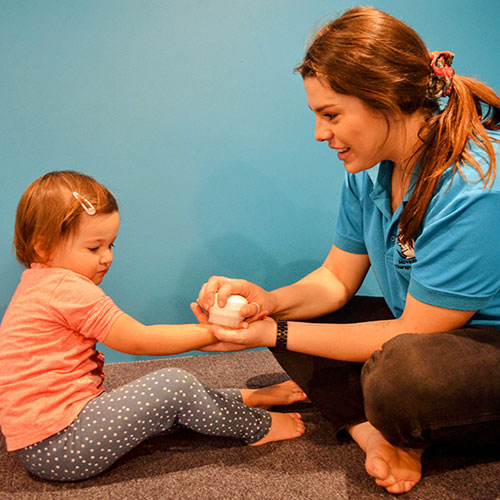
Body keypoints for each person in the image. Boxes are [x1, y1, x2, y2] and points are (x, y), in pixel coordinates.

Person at [192, 6, 500, 495]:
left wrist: (276, 331)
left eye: (330, 114)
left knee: (400, 374)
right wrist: (267, 304)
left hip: (477, 345)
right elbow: (335, 280)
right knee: (306, 333)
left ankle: (389, 419)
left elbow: (410, 333)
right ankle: (373, 431)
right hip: (422, 327)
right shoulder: (368, 173)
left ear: (386, 100)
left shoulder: (475, 185)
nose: (319, 133)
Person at [0, 170, 306, 482]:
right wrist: (213, 332)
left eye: (111, 246)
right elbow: (139, 340)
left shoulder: (39, 284)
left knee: (161, 404)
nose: (106, 258)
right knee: (174, 385)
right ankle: (258, 426)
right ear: (42, 248)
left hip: (48, 441)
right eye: (94, 248)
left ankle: (248, 397)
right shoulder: (66, 289)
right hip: (59, 445)